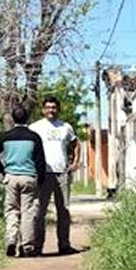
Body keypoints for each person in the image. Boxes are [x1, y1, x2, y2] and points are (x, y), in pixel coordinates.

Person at [0, 106, 46, 257]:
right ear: (27, 118)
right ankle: (27, 246)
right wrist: (41, 179)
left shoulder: (6, 137)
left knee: (12, 210)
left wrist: (1, 169)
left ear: (13, 118)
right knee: (28, 212)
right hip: (29, 177)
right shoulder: (34, 137)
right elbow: (40, 161)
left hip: (11, 177)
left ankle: (11, 240)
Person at [29, 96, 79, 255]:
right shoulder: (35, 127)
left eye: (54, 107)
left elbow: (76, 145)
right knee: (39, 211)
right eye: (48, 107)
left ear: (58, 109)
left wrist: (75, 162)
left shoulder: (66, 127)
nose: (51, 110)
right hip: (43, 174)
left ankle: (64, 245)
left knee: (63, 210)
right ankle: (37, 247)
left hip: (62, 173)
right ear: (43, 109)